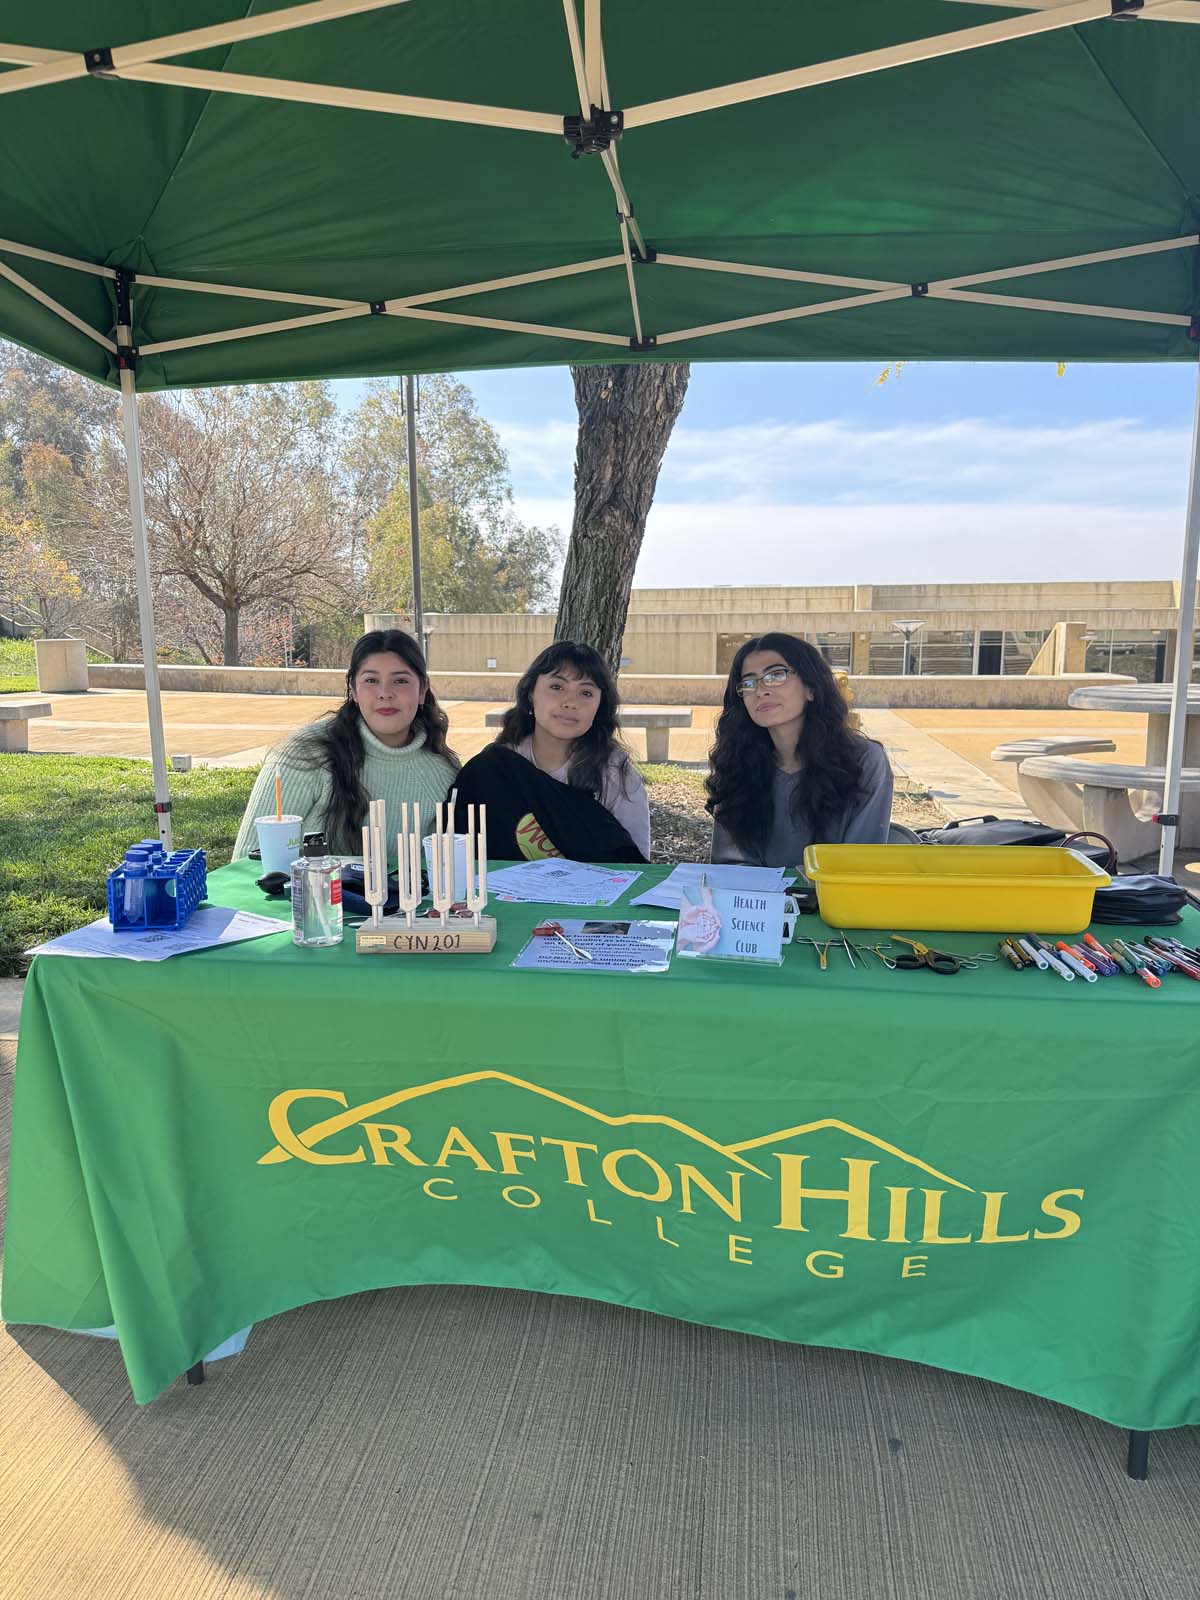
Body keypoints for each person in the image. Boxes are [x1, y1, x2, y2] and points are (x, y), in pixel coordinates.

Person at [234, 629, 458, 865]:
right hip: (304, 901)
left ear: (423, 689)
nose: (385, 694)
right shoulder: (305, 753)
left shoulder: (444, 771)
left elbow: (441, 869)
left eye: (400, 681)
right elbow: (246, 861)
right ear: (353, 690)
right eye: (371, 680)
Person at [706, 632, 892, 867]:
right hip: (754, 900)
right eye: (749, 682)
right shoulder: (737, 762)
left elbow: (860, 865)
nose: (761, 689)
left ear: (811, 688)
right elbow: (729, 864)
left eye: (776, 675)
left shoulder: (864, 761)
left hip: (834, 899)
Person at [453, 642, 650, 862]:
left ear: (600, 707)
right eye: (557, 687)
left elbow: (636, 869)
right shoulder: (495, 770)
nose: (570, 702)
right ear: (530, 695)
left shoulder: (618, 776)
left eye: (586, 692)